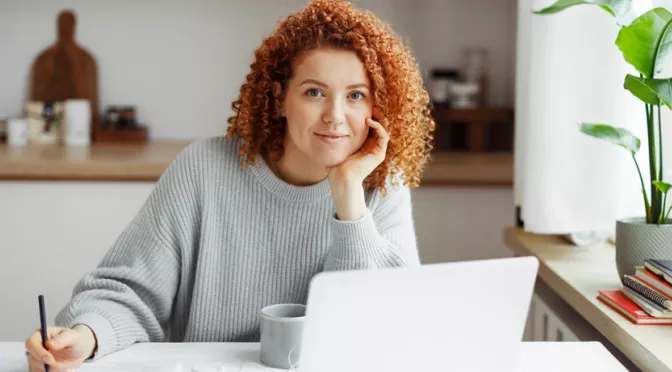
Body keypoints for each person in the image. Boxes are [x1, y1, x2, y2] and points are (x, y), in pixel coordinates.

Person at [24, 0, 435, 370]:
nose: (335, 115)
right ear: (279, 99)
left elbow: (385, 324)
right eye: (314, 92)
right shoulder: (204, 171)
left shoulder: (381, 185)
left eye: (356, 96)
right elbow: (127, 289)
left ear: (376, 105)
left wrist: (348, 197)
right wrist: (85, 336)